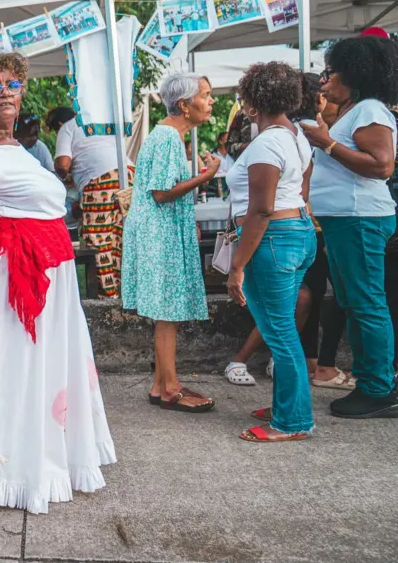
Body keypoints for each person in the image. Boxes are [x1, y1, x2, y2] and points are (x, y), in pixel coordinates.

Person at [0, 50, 115, 513]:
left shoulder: (15, 147)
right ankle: (13, 470)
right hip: (21, 279)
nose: (5, 93)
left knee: (48, 371)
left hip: (50, 271)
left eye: (12, 85)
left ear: (23, 91)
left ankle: (46, 454)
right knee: (23, 373)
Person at [302, 35, 398, 419]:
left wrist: (327, 144)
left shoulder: (370, 111)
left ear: (355, 73)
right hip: (346, 220)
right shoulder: (356, 110)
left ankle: (378, 388)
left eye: (330, 72)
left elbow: (381, 166)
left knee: (365, 302)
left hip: (359, 218)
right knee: (355, 302)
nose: (324, 81)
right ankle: (373, 381)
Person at [225, 62, 316, 442]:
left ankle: (292, 422)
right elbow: (301, 193)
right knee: (281, 329)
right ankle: (289, 406)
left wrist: (237, 266)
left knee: (280, 333)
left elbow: (261, 209)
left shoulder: (266, 143)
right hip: (298, 232)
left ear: (251, 104)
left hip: (274, 237)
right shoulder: (298, 136)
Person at [121, 72, 220, 412]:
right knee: (166, 312)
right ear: (184, 104)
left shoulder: (167, 136)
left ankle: (160, 383)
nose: (210, 101)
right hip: (157, 230)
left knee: (166, 311)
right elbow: (161, 193)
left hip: (157, 228)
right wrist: (205, 177)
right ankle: (170, 388)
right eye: (205, 95)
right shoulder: (166, 137)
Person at [53, 105, 134, 298]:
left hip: (100, 183)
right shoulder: (99, 123)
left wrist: (60, 174)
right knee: (122, 238)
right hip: (129, 176)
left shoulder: (68, 127)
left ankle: (107, 299)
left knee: (99, 242)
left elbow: (63, 164)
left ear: (58, 124)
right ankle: (127, 294)